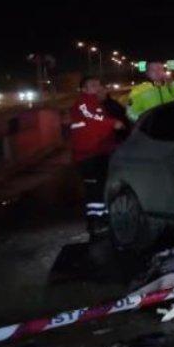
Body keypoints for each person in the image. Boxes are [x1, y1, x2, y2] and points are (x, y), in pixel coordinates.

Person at [70, 76, 124, 237]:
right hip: (88, 155)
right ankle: (95, 223)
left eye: (99, 85)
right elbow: (92, 117)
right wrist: (112, 123)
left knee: (101, 188)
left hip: (100, 153)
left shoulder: (97, 103)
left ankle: (103, 219)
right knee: (94, 190)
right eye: (93, 85)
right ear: (84, 89)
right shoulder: (83, 103)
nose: (98, 87)